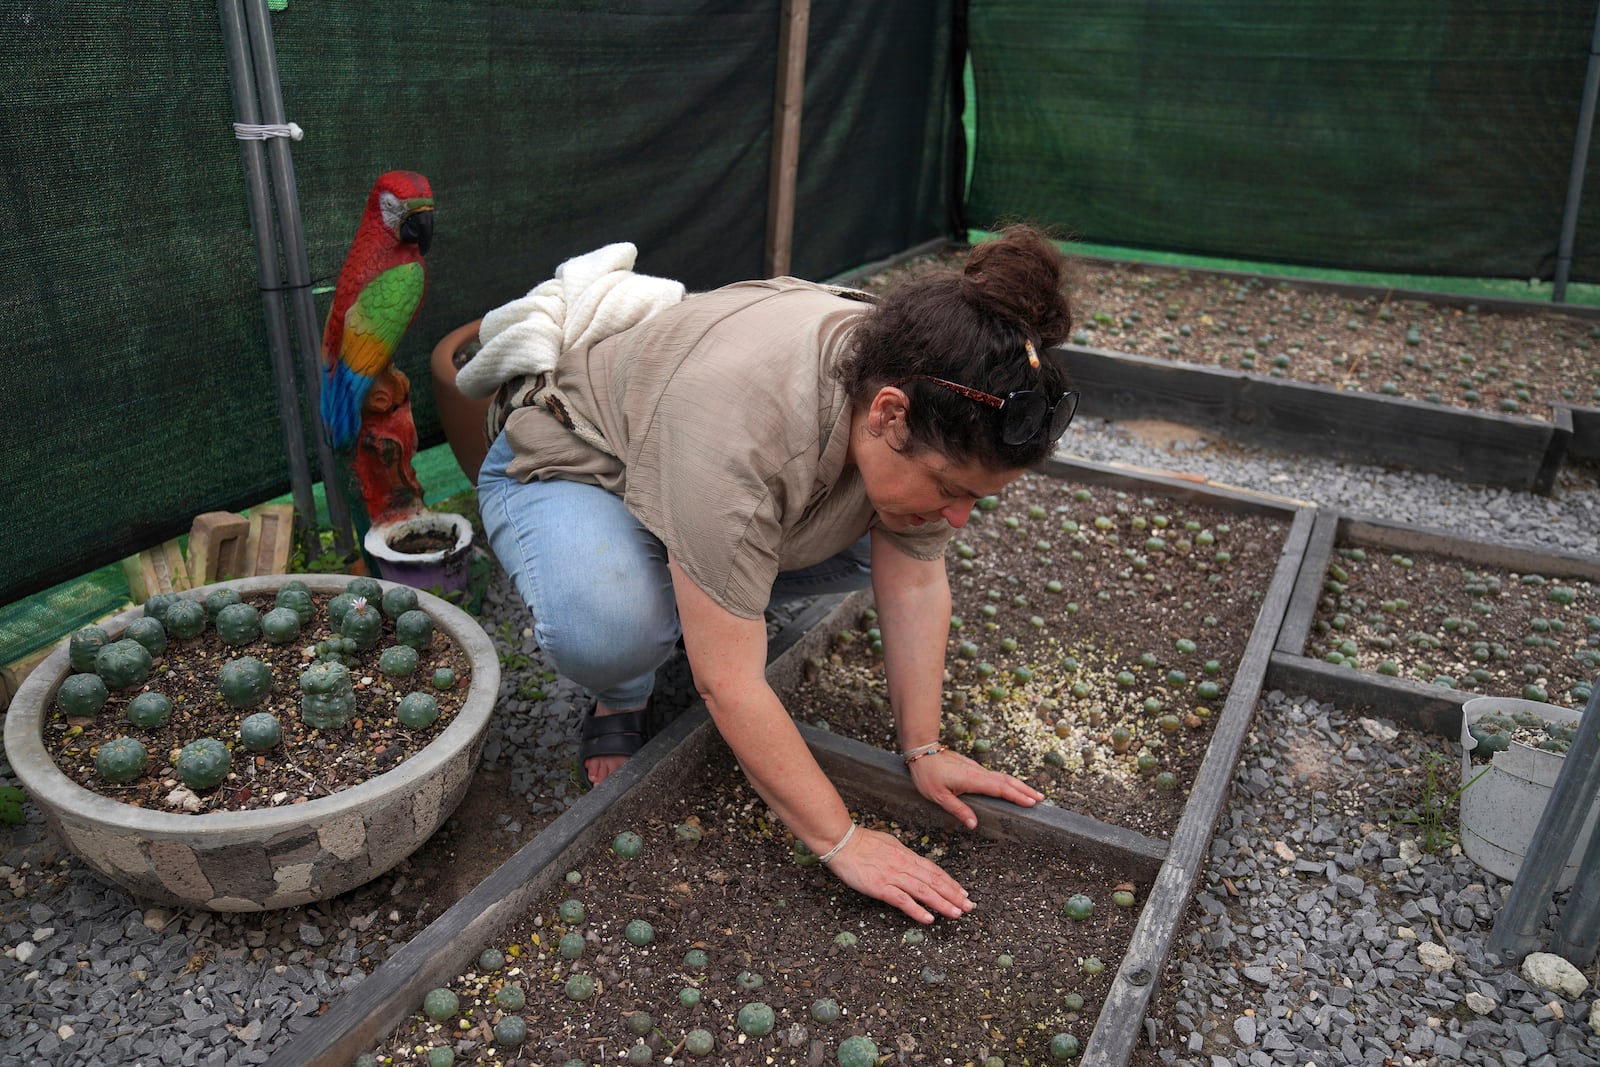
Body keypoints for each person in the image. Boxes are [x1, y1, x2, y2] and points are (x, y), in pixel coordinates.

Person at [474, 225, 1079, 923]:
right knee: (611, 626)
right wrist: (842, 837)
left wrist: (925, 747)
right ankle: (627, 684)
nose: (962, 517)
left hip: (705, 485)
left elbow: (914, 577)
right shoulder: (745, 427)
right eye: (952, 486)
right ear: (889, 413)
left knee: (895, 534)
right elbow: (727, 683)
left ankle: (700, 591)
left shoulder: (934, 376)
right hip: (580, 464)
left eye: (977, 495)